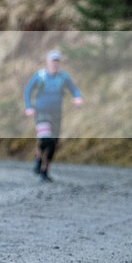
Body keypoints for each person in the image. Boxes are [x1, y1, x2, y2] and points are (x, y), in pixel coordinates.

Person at [24, 49, 83, 182]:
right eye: (53, 61)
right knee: (45, 139)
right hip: (41, 112)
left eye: (57, 61)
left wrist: (77, 97)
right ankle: (38, 159)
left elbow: (74, 89)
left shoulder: (64, 77)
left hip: (57, 113)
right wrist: (28, 107)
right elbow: (28, 90)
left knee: (53, 144)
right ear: (48, 62)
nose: (55, 64)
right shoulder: (40, 76)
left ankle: (45, 171)